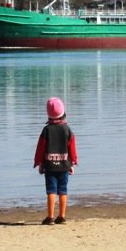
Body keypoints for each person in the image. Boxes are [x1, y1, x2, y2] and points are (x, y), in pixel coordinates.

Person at [33, 96, 78, 225]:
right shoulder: (67, 129)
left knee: (51, 191)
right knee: (63, 190)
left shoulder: (46, 130)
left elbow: (41, 148)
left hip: (50, 166)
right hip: (64, 165)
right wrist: (72, 162)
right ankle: (62, 216)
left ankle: (50, 216)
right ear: (63, 112)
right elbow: (72, 148)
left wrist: (40, 163)